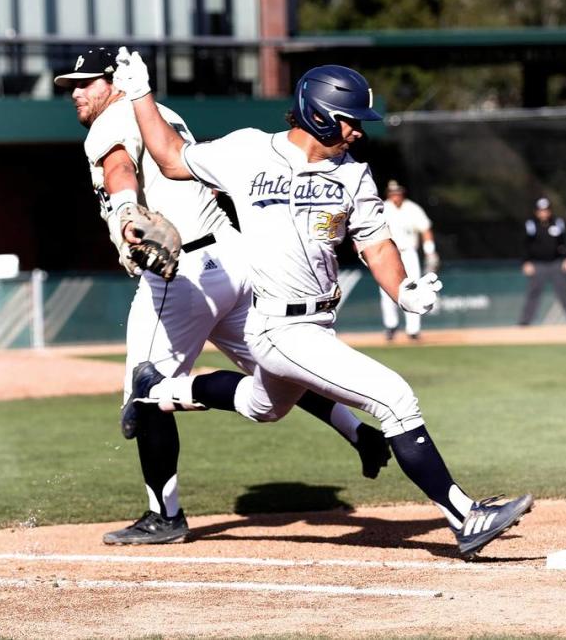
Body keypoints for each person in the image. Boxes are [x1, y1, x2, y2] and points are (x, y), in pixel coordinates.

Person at [114, 51, 533, 559]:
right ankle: (466, 516)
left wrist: (401, 290)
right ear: (318, 112)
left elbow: (376, 243)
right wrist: (141, 94)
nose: (358, 131)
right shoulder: (248, 151)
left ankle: (157, 387)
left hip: (317, 323)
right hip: (279, 329)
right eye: (351, 120)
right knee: (395, 399)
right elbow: (171, 156)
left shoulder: (354, 174)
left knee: (258, 406)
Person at [54, 48, 391, 545]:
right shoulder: (162, 115)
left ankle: (163, 516)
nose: (77, 93)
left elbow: (119, 168)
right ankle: (358, 433)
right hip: (232, 261)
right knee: (276, 366)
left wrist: (126, 214)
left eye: (86, 83)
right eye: (70, 86)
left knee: (147, 394)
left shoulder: (114, 118)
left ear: (115, 82)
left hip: (181, 274)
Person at [379, 179, 439, 341]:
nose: (395, 195)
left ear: (402, 193)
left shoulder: (412, 208)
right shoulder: (382, 208)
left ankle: (413, 330)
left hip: (408, 252)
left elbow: (425, 229)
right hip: (389, 253)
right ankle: (390, 326)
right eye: (392, 193)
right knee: (386, 290)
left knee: (415, 289)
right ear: (388, 194)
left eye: (398, 192)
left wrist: (430, 252)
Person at [518, 197, 566, 326]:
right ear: (536, 212)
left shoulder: (557, 223)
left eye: (546, 210)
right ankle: (525, 323)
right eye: (541, 210)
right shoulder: (531, 225)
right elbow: (525, 245)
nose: (544, 213)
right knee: (534, 293)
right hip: (538, 264)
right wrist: (526, 262)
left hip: (556, 263)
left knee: (564, 292)